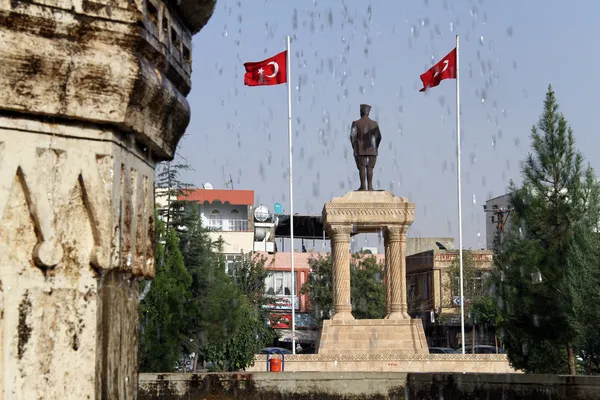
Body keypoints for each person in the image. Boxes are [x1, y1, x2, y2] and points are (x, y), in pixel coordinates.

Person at [349, 104, 382, 191]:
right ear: (368, 113)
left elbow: (352, 137)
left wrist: (355, 147)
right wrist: (375, 146)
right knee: (370, 168)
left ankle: (363, 187)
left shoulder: (355, 123)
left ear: (361, 112)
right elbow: (379, 137)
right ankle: (370, 187)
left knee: (362, 168)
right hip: (372, 150)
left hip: (359, 150)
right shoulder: (374, 124)